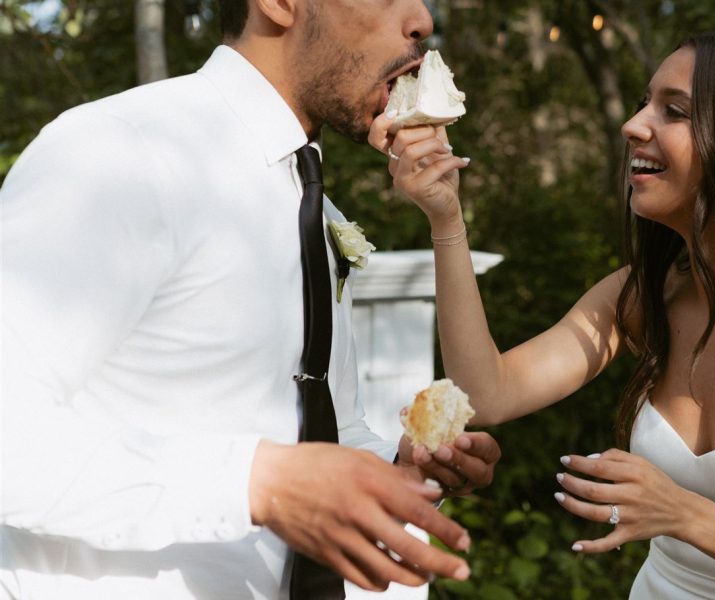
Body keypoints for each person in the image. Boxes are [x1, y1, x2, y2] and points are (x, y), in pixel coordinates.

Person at [370, 32, 715, 599]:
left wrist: (686, 514)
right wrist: (446, 217)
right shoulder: (644, 297)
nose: (633, 124)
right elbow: (489, 391)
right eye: (644, 102)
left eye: (673, 111)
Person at [0, 1, 502, 598]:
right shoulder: (120, 152)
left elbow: (319, 430)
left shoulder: (311, 203)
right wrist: (258, 483)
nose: (421, 19)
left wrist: (400, 470)